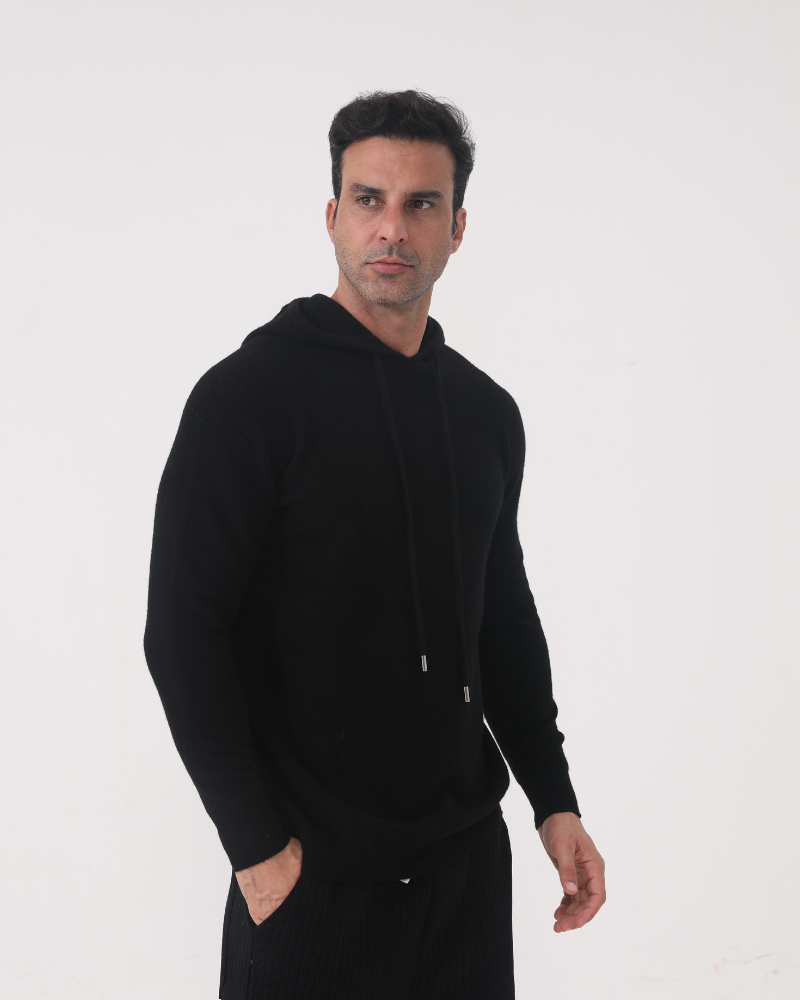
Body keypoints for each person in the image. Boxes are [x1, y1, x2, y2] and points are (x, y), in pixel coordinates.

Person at [144, 89, 606, 1000]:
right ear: (332, 216)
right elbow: (183, 632)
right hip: (312, 881)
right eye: (368, 199)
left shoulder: (484, 413)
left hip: (464, 874)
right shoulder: (248, 399)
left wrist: (553, 800)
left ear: (457, 228)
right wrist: (255, 847)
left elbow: (501, 619)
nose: (391, 228)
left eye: (420, 203)